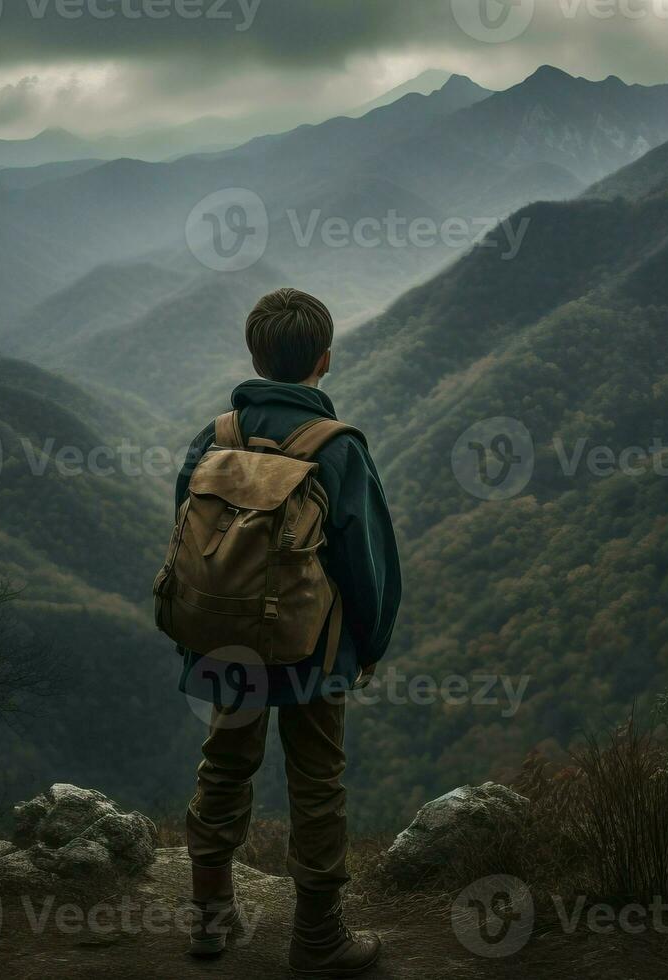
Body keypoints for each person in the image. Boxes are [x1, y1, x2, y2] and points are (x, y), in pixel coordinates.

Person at [172, 288, 402, 976]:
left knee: (224, 765)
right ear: (324, 361)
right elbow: (368, 562)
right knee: (316, 780)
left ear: (253, 355)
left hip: (226, 640)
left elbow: (187, 543)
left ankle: (210, 922)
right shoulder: (338, 451)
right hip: (314, 647)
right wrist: (371, 643)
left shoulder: (214, 437)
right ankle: (319, 937)